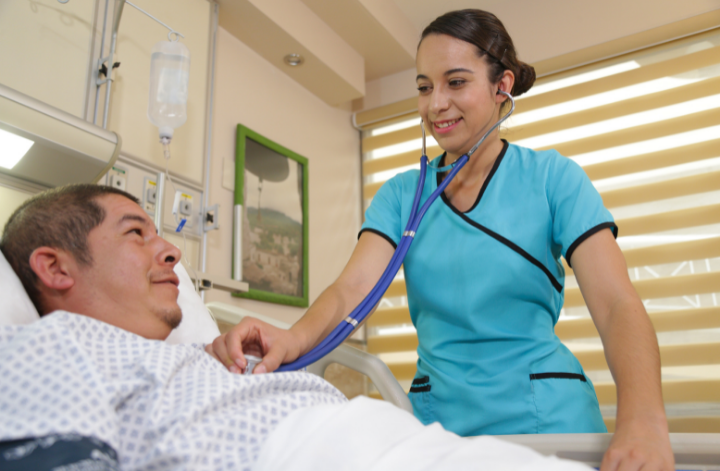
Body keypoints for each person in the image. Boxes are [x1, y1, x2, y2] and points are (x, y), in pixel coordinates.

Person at [207, 9, 675, 471]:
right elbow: (350, 291)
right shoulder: (401, 196)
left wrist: (644, 422)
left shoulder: (554, 179)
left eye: (456, 82)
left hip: (546, 419)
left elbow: (616, 304)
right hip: (438, 426)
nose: (436, 104)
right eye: (425, 87)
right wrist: (291, 339)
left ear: (501, 86)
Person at [0, 183, 592, 471]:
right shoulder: (51, 345)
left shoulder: (193, 359)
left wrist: (212, 354)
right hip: (309, 452)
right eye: (136, 233)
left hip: (379, 439)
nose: (171, 251)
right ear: (54, 267)